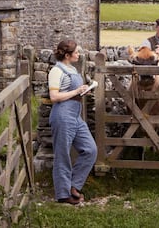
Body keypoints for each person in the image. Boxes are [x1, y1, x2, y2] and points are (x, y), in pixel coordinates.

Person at [48, 40, 97, 204]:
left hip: (75, 116)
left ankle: (73, 185)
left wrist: (83, 91)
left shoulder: (72, 69)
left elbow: (69, 92)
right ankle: (63, 195)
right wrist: (76, 91)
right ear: (67, 55)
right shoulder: (56, 71)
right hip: (62, 116)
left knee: (90, 150)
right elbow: (54, 97)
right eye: (76, 52)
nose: (78, 54)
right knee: (62, 155)